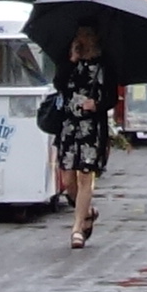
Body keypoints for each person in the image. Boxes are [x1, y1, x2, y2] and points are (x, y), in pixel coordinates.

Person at [43, 33, 120, 251]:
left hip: (91, 128)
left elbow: (111, 97)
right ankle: (87, 212)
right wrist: (71, 60)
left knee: (86, 175)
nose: (83, 40)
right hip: (68, 126)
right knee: (68, 179)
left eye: (87, 36)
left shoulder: (105, 64)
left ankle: (77, 228)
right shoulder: (67, 59)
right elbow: (59, 84)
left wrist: (96, 104)